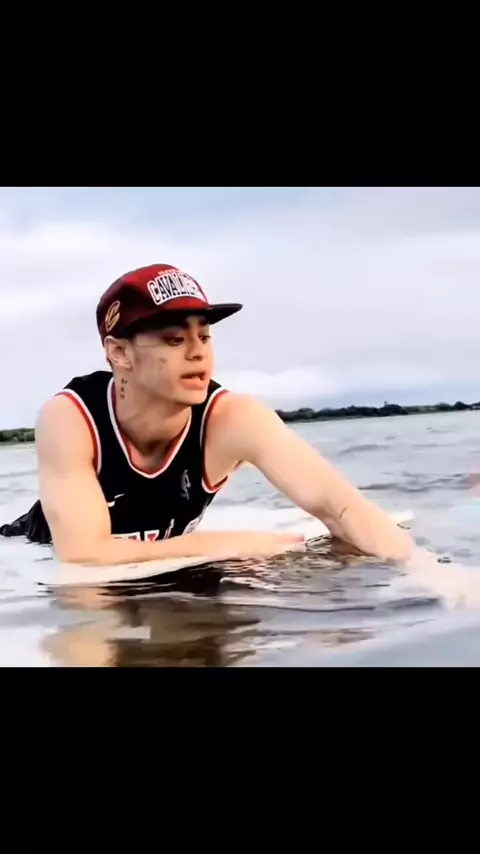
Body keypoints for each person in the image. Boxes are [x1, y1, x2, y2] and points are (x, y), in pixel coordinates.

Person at [1, 262, 416, 568]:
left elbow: (343, 509)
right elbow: (84, 554)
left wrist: (431, 579)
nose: (198, 352)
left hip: (151, 566)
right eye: (174, 339)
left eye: (204, 336)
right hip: (28, 558)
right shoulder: (70, 418)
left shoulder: (234, 417)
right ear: (120, 353)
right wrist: (225, 545)